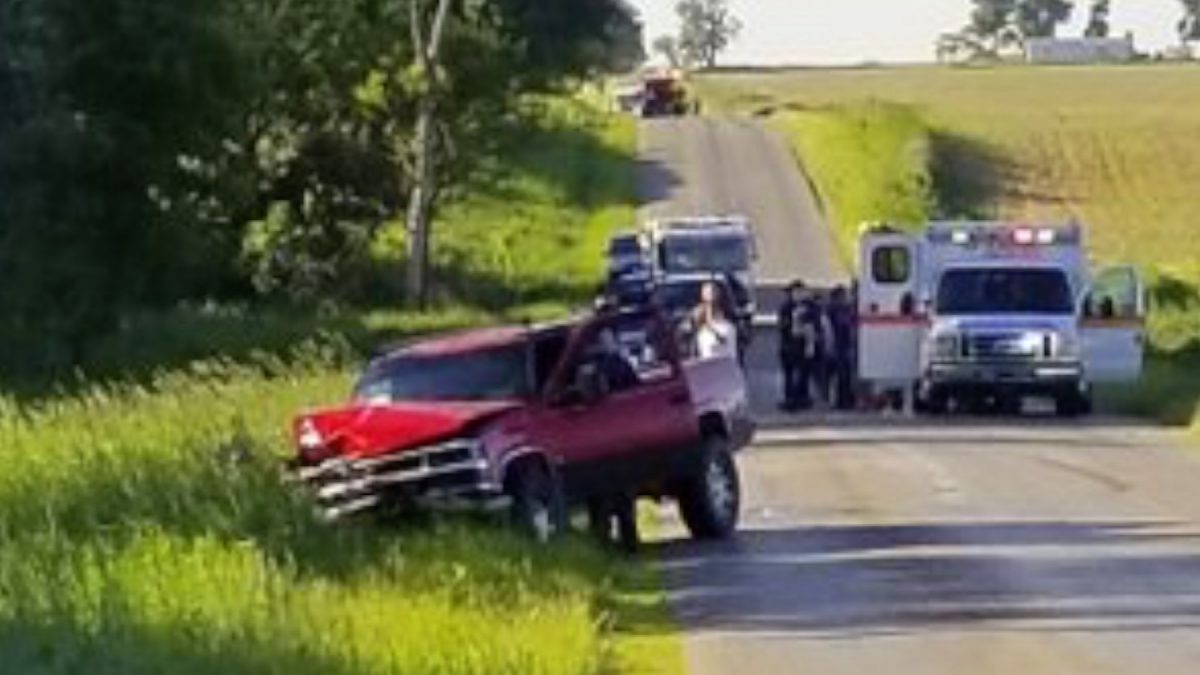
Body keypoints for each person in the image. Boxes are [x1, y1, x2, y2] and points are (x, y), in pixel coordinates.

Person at [778, 281, 814, 411]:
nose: (798, 295)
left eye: (800, 292)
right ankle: (790, 400)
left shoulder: (810, 306)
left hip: (803, 344)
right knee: (790, 375)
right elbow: (783, 327)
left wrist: (811, 345)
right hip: (789, 345)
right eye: (795, 292)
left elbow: (813, 326)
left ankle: (802, 398)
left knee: (804, 373)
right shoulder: (786, 307)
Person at [827, 285, 857, 410]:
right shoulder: (836, 309)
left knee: (843, 375)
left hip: (840, 345)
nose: (846, 298)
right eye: (844, 296)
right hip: (840, 346)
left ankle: (844, 400)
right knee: (843, 375)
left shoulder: (833, 309)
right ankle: (843, 401)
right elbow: (843, 324)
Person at [692, 281, 738, 360]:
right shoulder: (699, 319)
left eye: (713, 291)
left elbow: (726, 344)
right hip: (707, 364)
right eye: (707, 292)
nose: (711, 294)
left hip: (725, 364)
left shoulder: (727, 324)